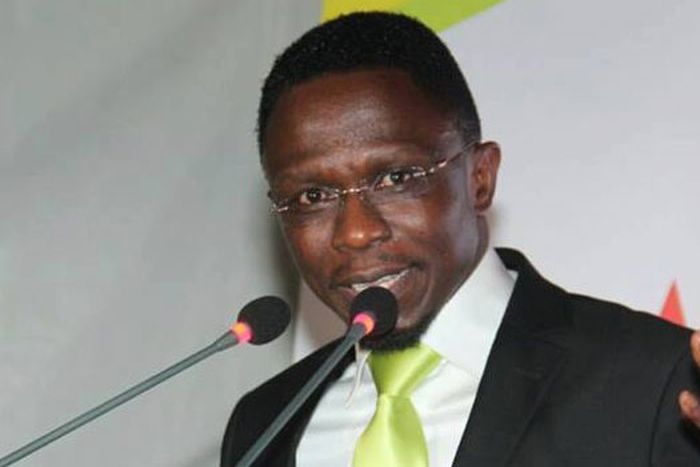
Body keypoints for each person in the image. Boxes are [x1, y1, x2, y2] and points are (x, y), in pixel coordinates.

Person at [221, 12, 700, 466]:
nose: (356, 232)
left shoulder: (656, 381)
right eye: (313, 196)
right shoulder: (265, 423)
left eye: (395, 178)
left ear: (480, 178)